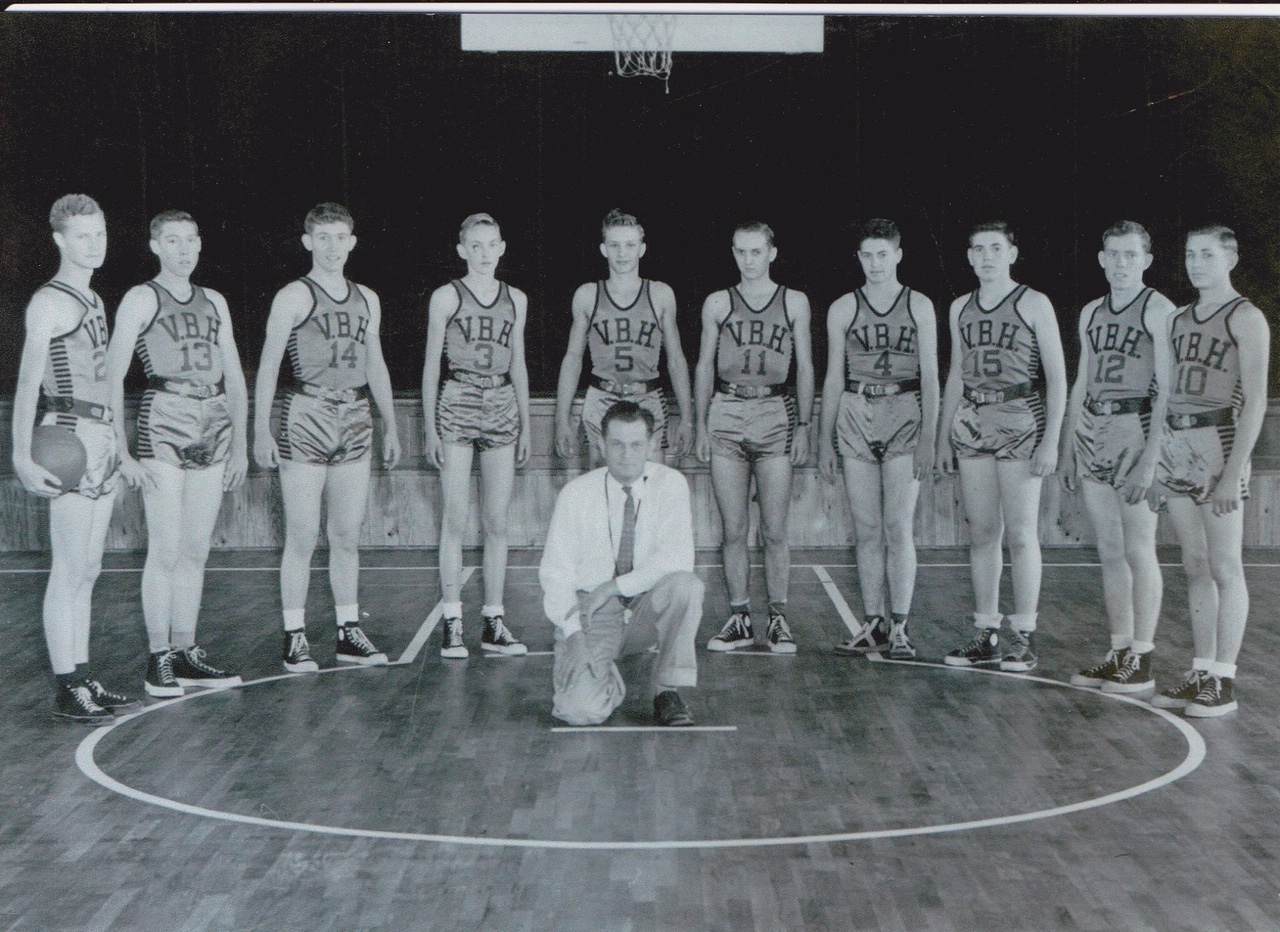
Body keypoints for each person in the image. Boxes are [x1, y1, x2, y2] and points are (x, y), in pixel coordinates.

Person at [105, 210, 251, 698]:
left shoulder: (215, 301)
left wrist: (240, 446)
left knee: (196, 549)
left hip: (213, 420)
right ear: (155, 246)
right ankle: (158, 659)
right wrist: (121, 451)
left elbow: (233, 375)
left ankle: (186, 651)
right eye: (173, 241)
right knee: (165, 549)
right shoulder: (141, 297)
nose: (184, 249)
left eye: (191, 240)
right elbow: (112, 373)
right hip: (164, 417)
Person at [253, 202, 400, 673]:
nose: (333, 247)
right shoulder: (293, 295)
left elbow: (375, 364)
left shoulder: (368, 297)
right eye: (324, 238)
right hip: (307, 412)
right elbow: (269, 364)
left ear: (352, 242)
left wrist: (391, 422)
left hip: (355, 413)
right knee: (301, 534)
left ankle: (347, 630)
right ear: (308, 242)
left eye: (341, 238)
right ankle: (294, 635)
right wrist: (260, 428)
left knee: (346, 535)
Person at [12, 194, 138, 723]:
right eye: (83, 235)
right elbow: (25, 381)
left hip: (102, 435)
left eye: (101, 232)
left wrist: (122, 447)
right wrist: (19, 452)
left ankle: (84, 674)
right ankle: (67, 686)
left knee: (88, 568)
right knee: (67, 569)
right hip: (66, 434)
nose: (95, 243)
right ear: (59, 240)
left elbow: (107, 381)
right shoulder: (50, 302)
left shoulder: (95, 299)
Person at [936, 221, 1067, 672]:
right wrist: (941, 436)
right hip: (973, 420)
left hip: (1019, 419)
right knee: (982, 533)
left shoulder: (1033, 302)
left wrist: (1050, 439)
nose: (987, 256)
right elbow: (955, 374)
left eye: (996, 247)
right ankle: (985, 632)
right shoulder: (959, 307)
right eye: (978, 249)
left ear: (1013, 253)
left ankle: (1024, 637)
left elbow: (1057, 378)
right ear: (969, 257)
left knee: (1021, 533)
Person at [1149, 225, 1268, 717]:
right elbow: (1166, 395)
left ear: (1231, 260)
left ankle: (1224, 678)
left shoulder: (1247, 317)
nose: (1196, 263)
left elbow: (1257, 401)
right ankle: (1201, 667)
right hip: (1178, 442)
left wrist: (1233, 470)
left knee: (1225, 566)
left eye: (1207, 254)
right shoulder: (1176, 319)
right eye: (1190, 254)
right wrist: (1159, 460)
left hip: (1219, 442)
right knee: (1194, 564)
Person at [1061, 221, 1174, 695]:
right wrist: (1069, 445)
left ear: (1146, 260)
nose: (1121, 263)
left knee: (1138, 547)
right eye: (1113, 254)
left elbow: (1168, 390)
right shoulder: (1091, 311)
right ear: (1102, 258)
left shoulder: (1158, 308)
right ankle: (1118, 650)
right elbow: (1081, 381)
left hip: (1137, 424)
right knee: (1109, 550)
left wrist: (1152, 458)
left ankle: (1142, 656)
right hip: (1093, 427)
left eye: (1131, 255)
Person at [540, 401, 704, 727]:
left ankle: (665, 688)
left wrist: (613, 587)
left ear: (652, 444)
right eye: (616, 444)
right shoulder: (575, 494)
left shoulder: (671, 485)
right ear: (601, 445)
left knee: (687, 587)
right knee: (579, 711)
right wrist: (574, 638)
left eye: (636, 445)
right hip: (593, 612)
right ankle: (609, 674)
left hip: (645, 605)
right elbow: (555, 574)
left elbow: (678, 558)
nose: (626, 454)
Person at [819, 219, 940, 660]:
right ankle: (873, 622)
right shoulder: (843, 308)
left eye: (882, 255)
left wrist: (929, 438)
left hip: (904, 411)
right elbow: (834, 378)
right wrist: (823, 440)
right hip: (857, 410)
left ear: (898, 255)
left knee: (897, 526)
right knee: (867, 528)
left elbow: (931, 376)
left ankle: (901, 625)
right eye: (867, 256)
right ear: (858, 258)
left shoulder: (919, 306)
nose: (874, 263)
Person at [693, 222, 814, 654]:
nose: (748, 259)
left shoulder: (794, 301)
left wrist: (804, 425)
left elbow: (805, 366)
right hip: (726, 409)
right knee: (733, 529)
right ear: (733, 253)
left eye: (756, 251)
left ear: (772, 253)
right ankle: (740, 617)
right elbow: (705, 365)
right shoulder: (718, 302)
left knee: (775, 529)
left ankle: (778, 618)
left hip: (774, 410)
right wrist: (702, 423)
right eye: (741, 251)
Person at [422, 214, 530, 658]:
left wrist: (523, 421)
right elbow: (431, 363)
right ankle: (452, 621)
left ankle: (493, 619)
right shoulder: (447, 296)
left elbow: (518, 361)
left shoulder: (516, 298)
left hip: (501, 400)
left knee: (497, 523)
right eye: (475, 246)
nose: (484, 254)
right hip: (459, 398)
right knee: (454, 519)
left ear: (502, 247)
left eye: (491, 245)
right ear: (462, 250)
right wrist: (430, 426)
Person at [553, 209, 694, 465]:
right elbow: (573, 359)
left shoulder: (660, 294)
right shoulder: (588, 295)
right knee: (602, 490)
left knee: (650, 490)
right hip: (602, 396)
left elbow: (676, 359)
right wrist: (561, 419)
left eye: (630, 245)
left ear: (642, 249)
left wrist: (687, 418)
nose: (622, 253)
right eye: (614, 245)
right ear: (603, 249)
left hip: (647, 397)